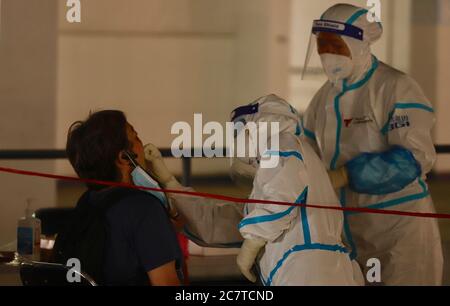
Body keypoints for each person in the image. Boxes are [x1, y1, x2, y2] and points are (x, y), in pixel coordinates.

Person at [301, 3, 443, 285]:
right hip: (349, 232)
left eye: (335, 45)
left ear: (359, 44)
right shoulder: (323, 99)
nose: (327, 53)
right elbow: (306, 148)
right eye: (322, 45)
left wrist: (345, 175)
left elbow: (413, 159)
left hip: (398, 232)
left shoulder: (395, 87)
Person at [230, 94, 363, 286]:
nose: (237, 139)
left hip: (305, 270)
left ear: (256, 123)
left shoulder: (279, 143)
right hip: (319, 267)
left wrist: (251, 244)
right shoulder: (297, 150)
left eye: (239, 130)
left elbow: (281, 199)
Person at [53, 110, 182, 286]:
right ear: (124, 157)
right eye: (136, 138)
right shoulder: (144, 208)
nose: (142, 146)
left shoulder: (87, 202)